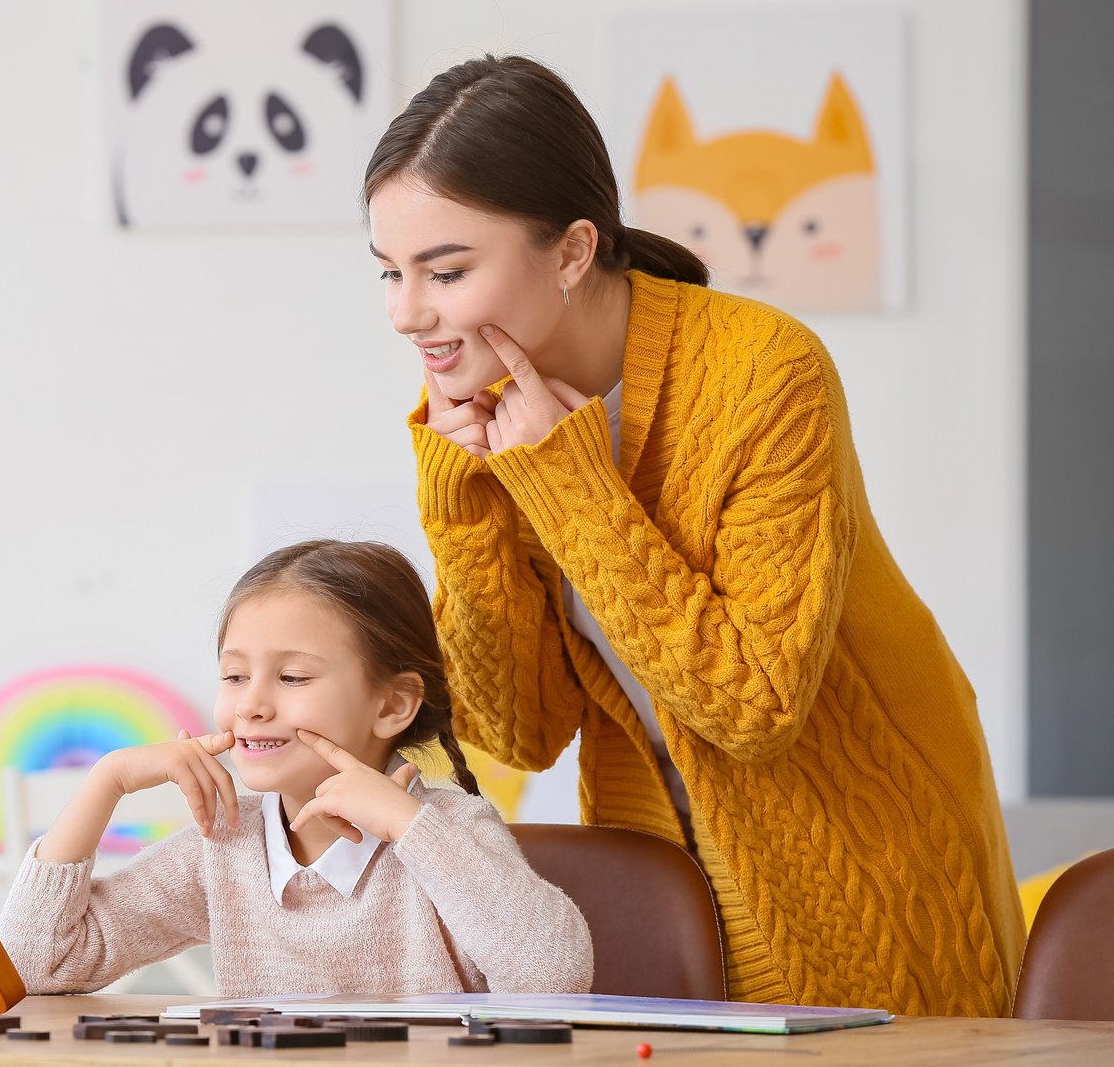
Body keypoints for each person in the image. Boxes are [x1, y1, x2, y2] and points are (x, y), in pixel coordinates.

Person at [363, 54, 1024, 1018]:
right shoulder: (486, 408)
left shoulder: (765, 373)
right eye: (389, 272)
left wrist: (565, 484)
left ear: (572, 251)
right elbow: (519, 731)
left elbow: (753, 705)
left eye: (446, 270)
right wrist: (463, 501)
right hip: (657, 879)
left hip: (859, 864)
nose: (406, 313)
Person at [0, 538, 592, 997]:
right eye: (234, 676)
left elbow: (555, 974)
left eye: (293, 677)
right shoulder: (222, 847)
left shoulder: (450, 830)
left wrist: (412, 828)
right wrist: (108, 781)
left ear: (391, 705)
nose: (251, 703)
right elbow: (36, 963)